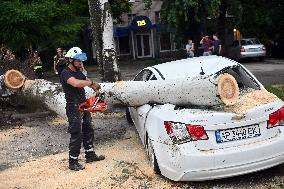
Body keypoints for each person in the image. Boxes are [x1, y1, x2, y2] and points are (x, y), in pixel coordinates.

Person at [60, 47, 105, 171]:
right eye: (78, 61)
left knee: (88, 129)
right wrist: (90, 83)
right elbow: (75, 83)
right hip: (73, 107)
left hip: (83, 104)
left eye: (81, 61)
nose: (81, 63)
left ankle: (90, 154)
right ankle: (73, 162)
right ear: (71, 60)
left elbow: (84, 80)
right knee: (76, 133)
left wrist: (94, 85)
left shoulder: (79, 71)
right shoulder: (65, 73)